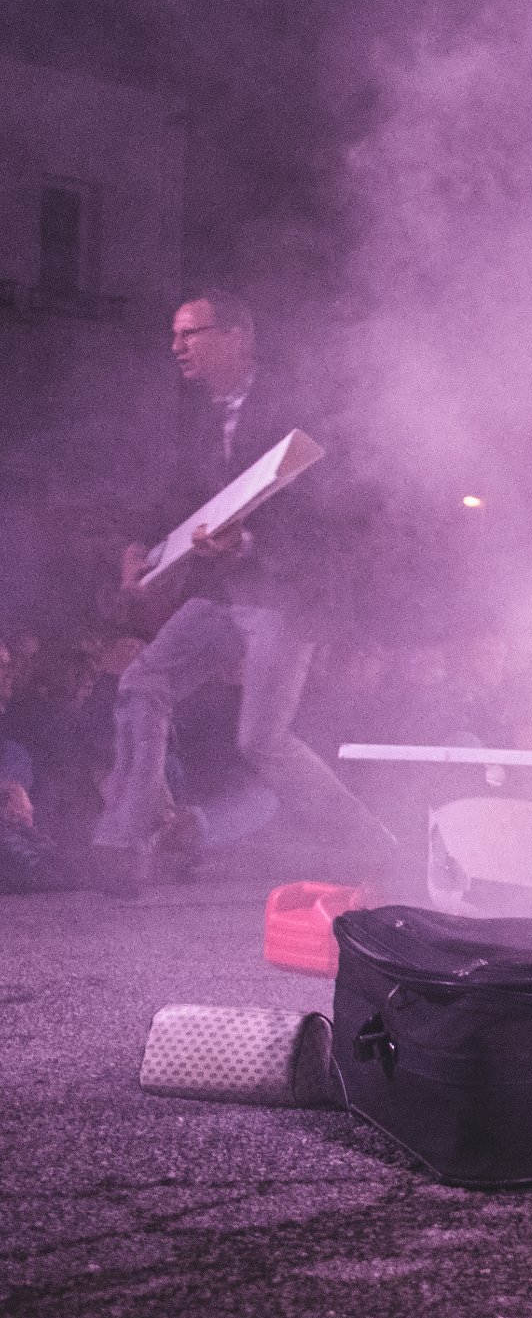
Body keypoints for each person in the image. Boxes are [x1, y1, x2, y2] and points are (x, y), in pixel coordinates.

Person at [85, 291, 399, 894]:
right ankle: (130, 836)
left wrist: (248, 544)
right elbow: (174, 499)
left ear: (236, 338)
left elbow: (332, 515)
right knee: (142, 683)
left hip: (284, 597)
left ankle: (372, 845)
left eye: (190, 333)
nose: (177, 346)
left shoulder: (294, 409)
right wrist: (138, 546)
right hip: (225, 597)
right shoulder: (197, 421)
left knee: (261, 741)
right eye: (174, 335)